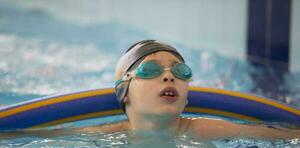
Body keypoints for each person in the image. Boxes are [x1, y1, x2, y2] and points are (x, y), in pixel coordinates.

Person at [80, 40, 299, 139]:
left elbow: (279, 136)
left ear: (186, 98)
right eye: (150, 69)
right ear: (124, 93)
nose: (169, 76)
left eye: (180, 71)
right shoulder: (106, 136)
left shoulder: (203, 130)